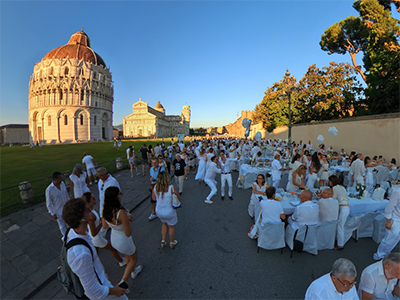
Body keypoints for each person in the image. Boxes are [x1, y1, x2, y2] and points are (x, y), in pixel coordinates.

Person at [62, 198, 128, 300]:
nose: (91, 211)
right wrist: (114, 291)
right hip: (101, 294)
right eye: (87, 210)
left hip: (101, 281)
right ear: (81, 218)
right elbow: (92, 291)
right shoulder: (81, 254)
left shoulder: (73, 232)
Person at [102, 187, 142, 289]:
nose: (121, 195)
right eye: (120, 194)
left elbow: (105, 226)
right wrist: (129, 219)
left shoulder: (105, 209)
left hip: (114, 238)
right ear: (115, 197)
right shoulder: (120, 212)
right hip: (124, 240)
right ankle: (122, 282)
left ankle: (133, 271)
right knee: (133, 258)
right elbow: (128, 233)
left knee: (128, 256)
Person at [82, 192, 125, 267]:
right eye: (93, 199)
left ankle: (93, 264)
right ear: (88, 202)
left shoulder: (90, 210)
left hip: (94, 238)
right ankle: (121, 261)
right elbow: (93, 233)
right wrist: (102, 222)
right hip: (96, 238)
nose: (95, 199)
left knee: (95, 252)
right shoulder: (91, 215)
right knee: (113, 248)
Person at [152, 171, 181, 248]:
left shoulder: (155, 188)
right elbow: (179, 198)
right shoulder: (171, 188)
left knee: (164, 223)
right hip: (169, 211)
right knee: (171, 226)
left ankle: (163, 240)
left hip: (159, 211)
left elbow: (154, 199)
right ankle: (172, 242)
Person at [373, 188, 400, 260]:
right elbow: (389, 207)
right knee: (389, 239)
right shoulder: (397, 192)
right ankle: (379, 255)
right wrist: (388, 221)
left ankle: (387, 253)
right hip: (395, 218)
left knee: (396, 238)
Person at [329, 175, 350, 250]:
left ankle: (340, 244)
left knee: (340, 226)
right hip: (346, 206)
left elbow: (333, 198)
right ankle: (338, 241)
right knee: (340, 225)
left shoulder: (335, 188)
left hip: (343, 207)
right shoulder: (342, 187)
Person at [46, 171, 69, 237]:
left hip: (66, 208)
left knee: (69, 222)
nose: (62, 179)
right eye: (60, 178)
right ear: (55, 179)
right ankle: (65, 237)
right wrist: (52, 213)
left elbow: (66, 194)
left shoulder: (62, 184)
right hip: (58, 211)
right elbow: (48, 203)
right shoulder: (49, 190)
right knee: (62, 226)